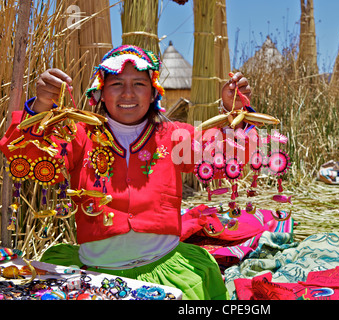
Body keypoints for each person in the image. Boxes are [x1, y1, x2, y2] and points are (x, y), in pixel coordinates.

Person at [0, 45, 253, 300]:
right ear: (100, 93)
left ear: (154, 92)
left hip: (167, 271)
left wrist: (235, 112)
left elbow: (227, 157)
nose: (128, 93)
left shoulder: (175, 137)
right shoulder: (78, 135)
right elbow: (26, 158)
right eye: (117, 84)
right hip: (95, 277)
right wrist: (41, 106)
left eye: (139, 84)